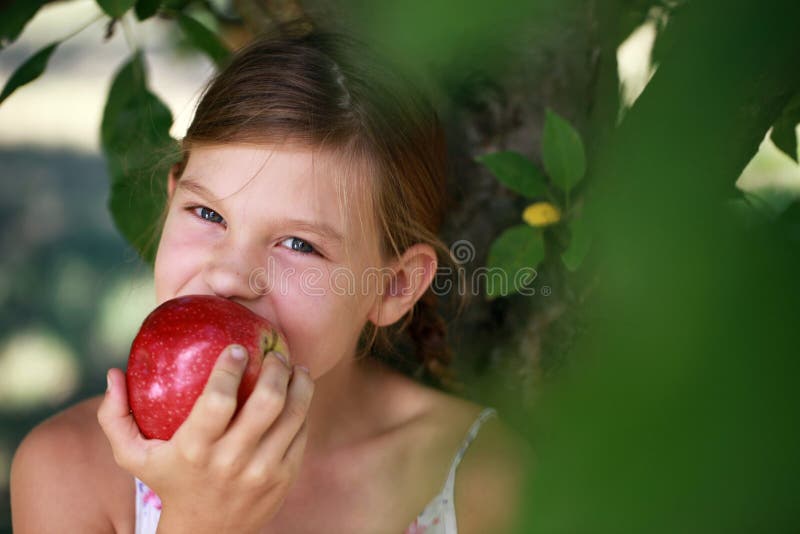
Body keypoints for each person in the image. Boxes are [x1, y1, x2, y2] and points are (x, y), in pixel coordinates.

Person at [10, 24, 529, 534]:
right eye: (207, 214)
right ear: (170, 202)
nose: (231, 275)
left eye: (299, 244)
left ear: (395, 287)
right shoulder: (69, 472)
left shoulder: (480, 479)